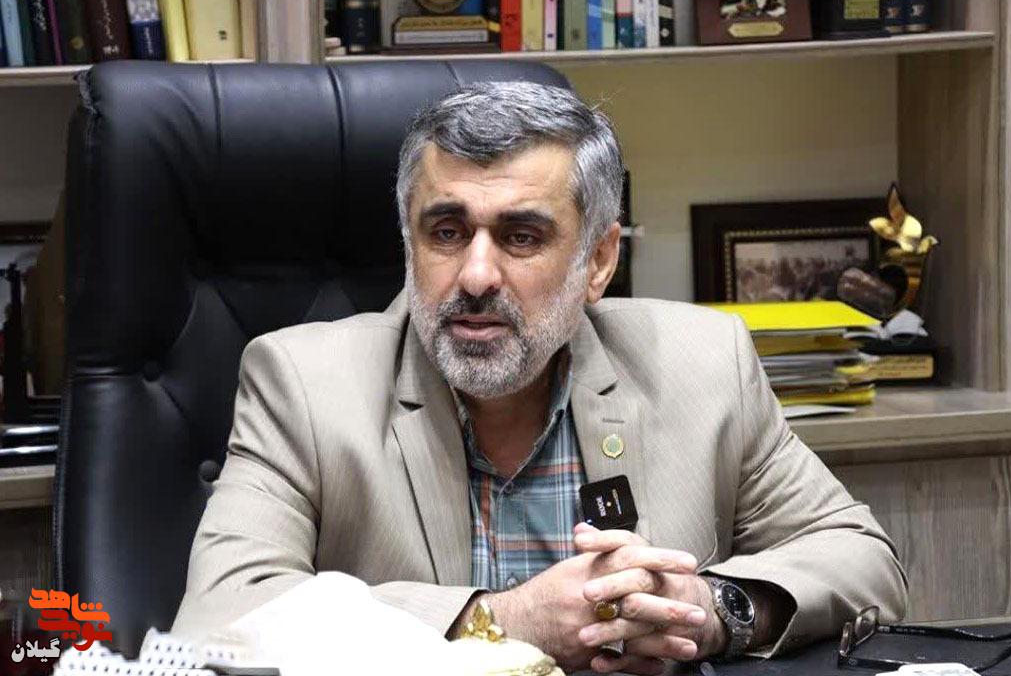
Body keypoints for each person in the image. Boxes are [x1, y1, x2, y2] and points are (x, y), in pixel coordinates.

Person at [172, 81, 907, 674]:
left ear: (598, 261)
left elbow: (860, 557)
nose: (476, 275)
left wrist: (711, 610)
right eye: (446, 232)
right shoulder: (302, 382)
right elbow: (220, 617)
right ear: (408, 243)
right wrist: (500, 621)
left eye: (521, 236)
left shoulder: (701, 362)